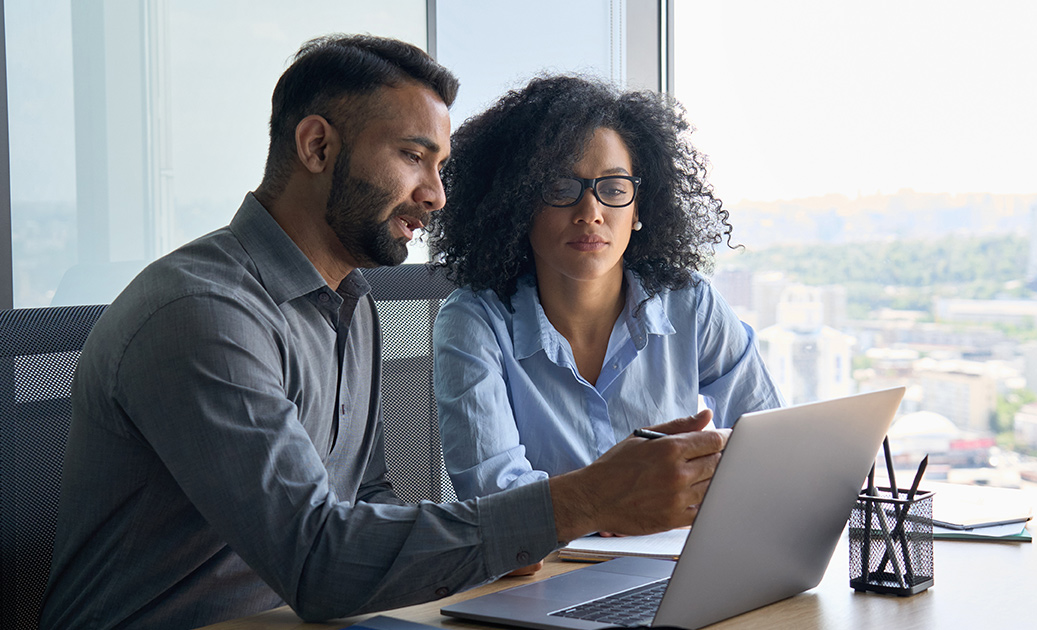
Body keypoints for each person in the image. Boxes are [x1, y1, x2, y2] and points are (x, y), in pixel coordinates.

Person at [39, 36, 727, 630]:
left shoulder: (350, 301)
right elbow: (317, 560)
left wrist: (503, 546)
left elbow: (364, 503)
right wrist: (585, 499)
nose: (437, 193)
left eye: (440, 164)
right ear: (316, 146)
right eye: (412, 156)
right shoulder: (202, 314)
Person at [428, 77, 783, 503]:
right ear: (519, 204)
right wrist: (610, 504)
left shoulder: (691, 304)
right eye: (561, 188)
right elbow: (497, 498)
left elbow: (770, 443)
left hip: (676, 556)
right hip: (547, 567)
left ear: (638, 209)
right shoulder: (473, 322)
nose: (591, 212)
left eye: (614, 189)